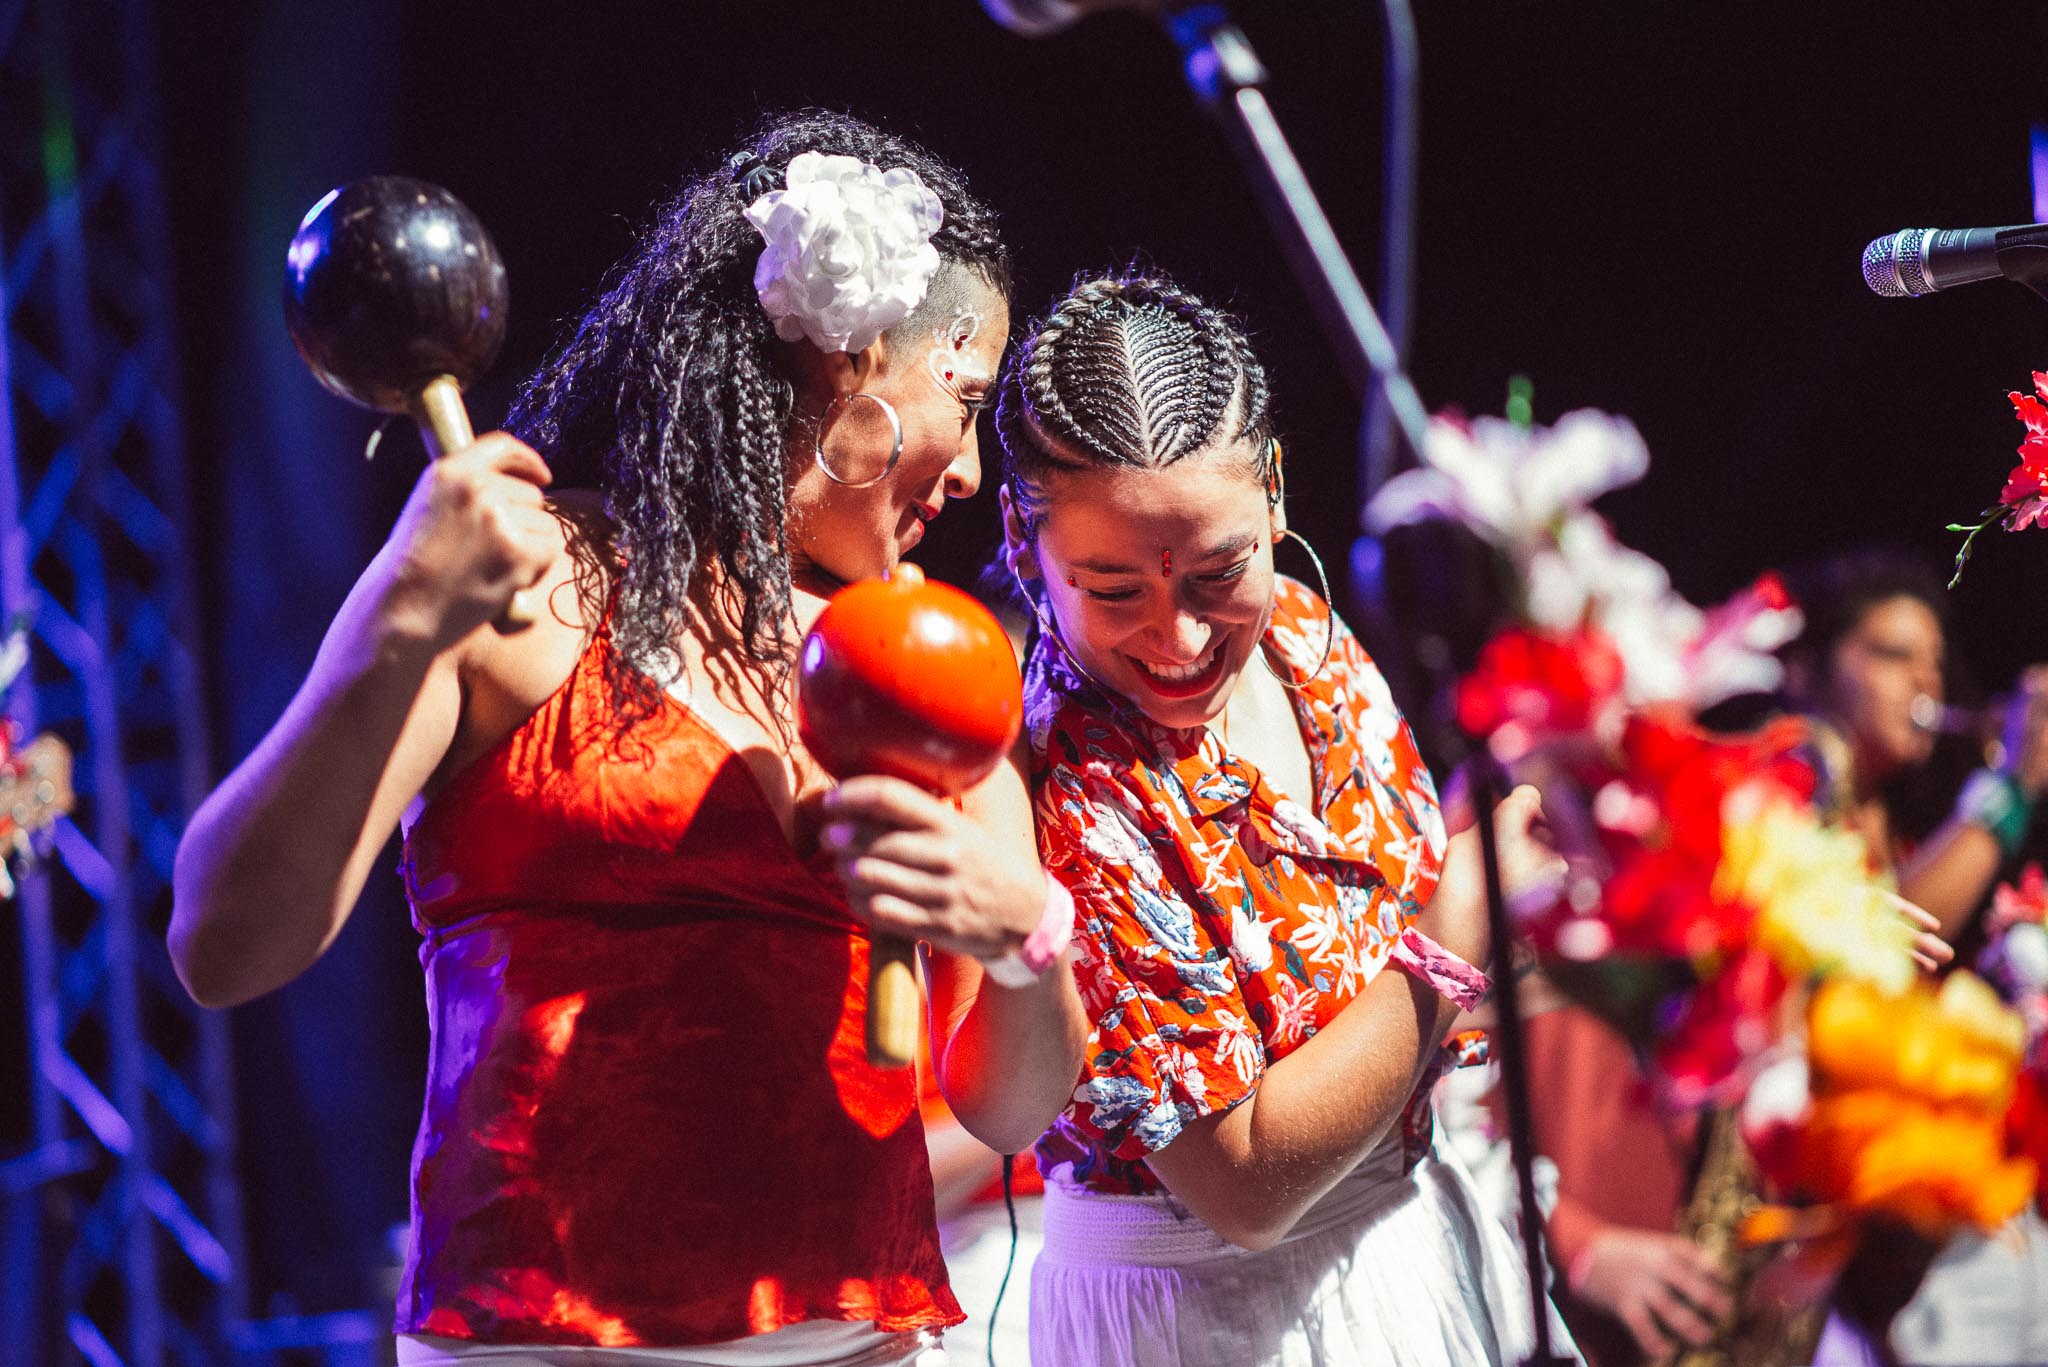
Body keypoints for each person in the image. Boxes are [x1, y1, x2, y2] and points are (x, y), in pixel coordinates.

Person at [168, 110, 1088, 1366]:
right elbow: (223, 943)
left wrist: (1029, 938)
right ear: (848, 364)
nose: (974, 472)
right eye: (963, 402)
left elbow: (1009, 1099)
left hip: (857, 1341)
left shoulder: (919, 656)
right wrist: (399, 614)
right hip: (541, 1339)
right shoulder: (516, 583)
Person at [992, 272, 1580, 1365]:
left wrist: (1722, 907)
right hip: (1218, 1309)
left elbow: (1414, 944)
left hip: (1411, 1234)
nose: (1177, 638)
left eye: (1218, 571)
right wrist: (1451, 936)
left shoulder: (1303, 629)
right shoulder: (1068, 787)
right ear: (1025, 548)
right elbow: (1244, 1182)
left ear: (1273, 491)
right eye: (1113, 589)